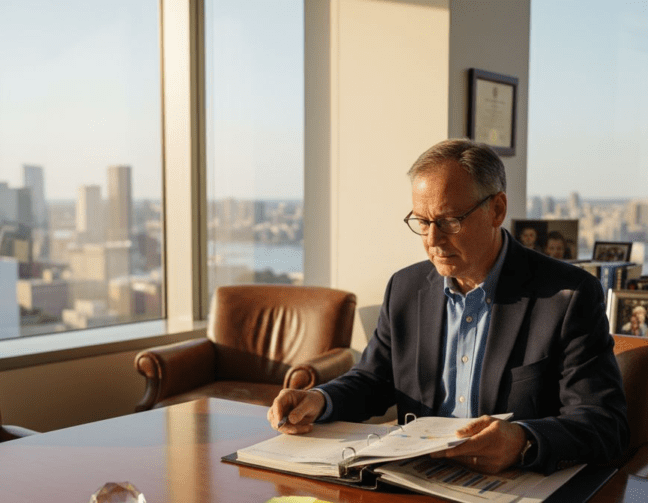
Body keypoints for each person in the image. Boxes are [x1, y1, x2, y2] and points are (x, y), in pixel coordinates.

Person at [267, 138, 628, 475]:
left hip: (514, 486)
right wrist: (319, 398)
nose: (432, 241)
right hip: (415, 479)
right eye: (422, 222)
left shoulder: (567, 295)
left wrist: (522, 440)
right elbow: (373, 380)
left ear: (496, 209)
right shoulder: (406, 288)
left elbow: (603, 422)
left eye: (449, 221)